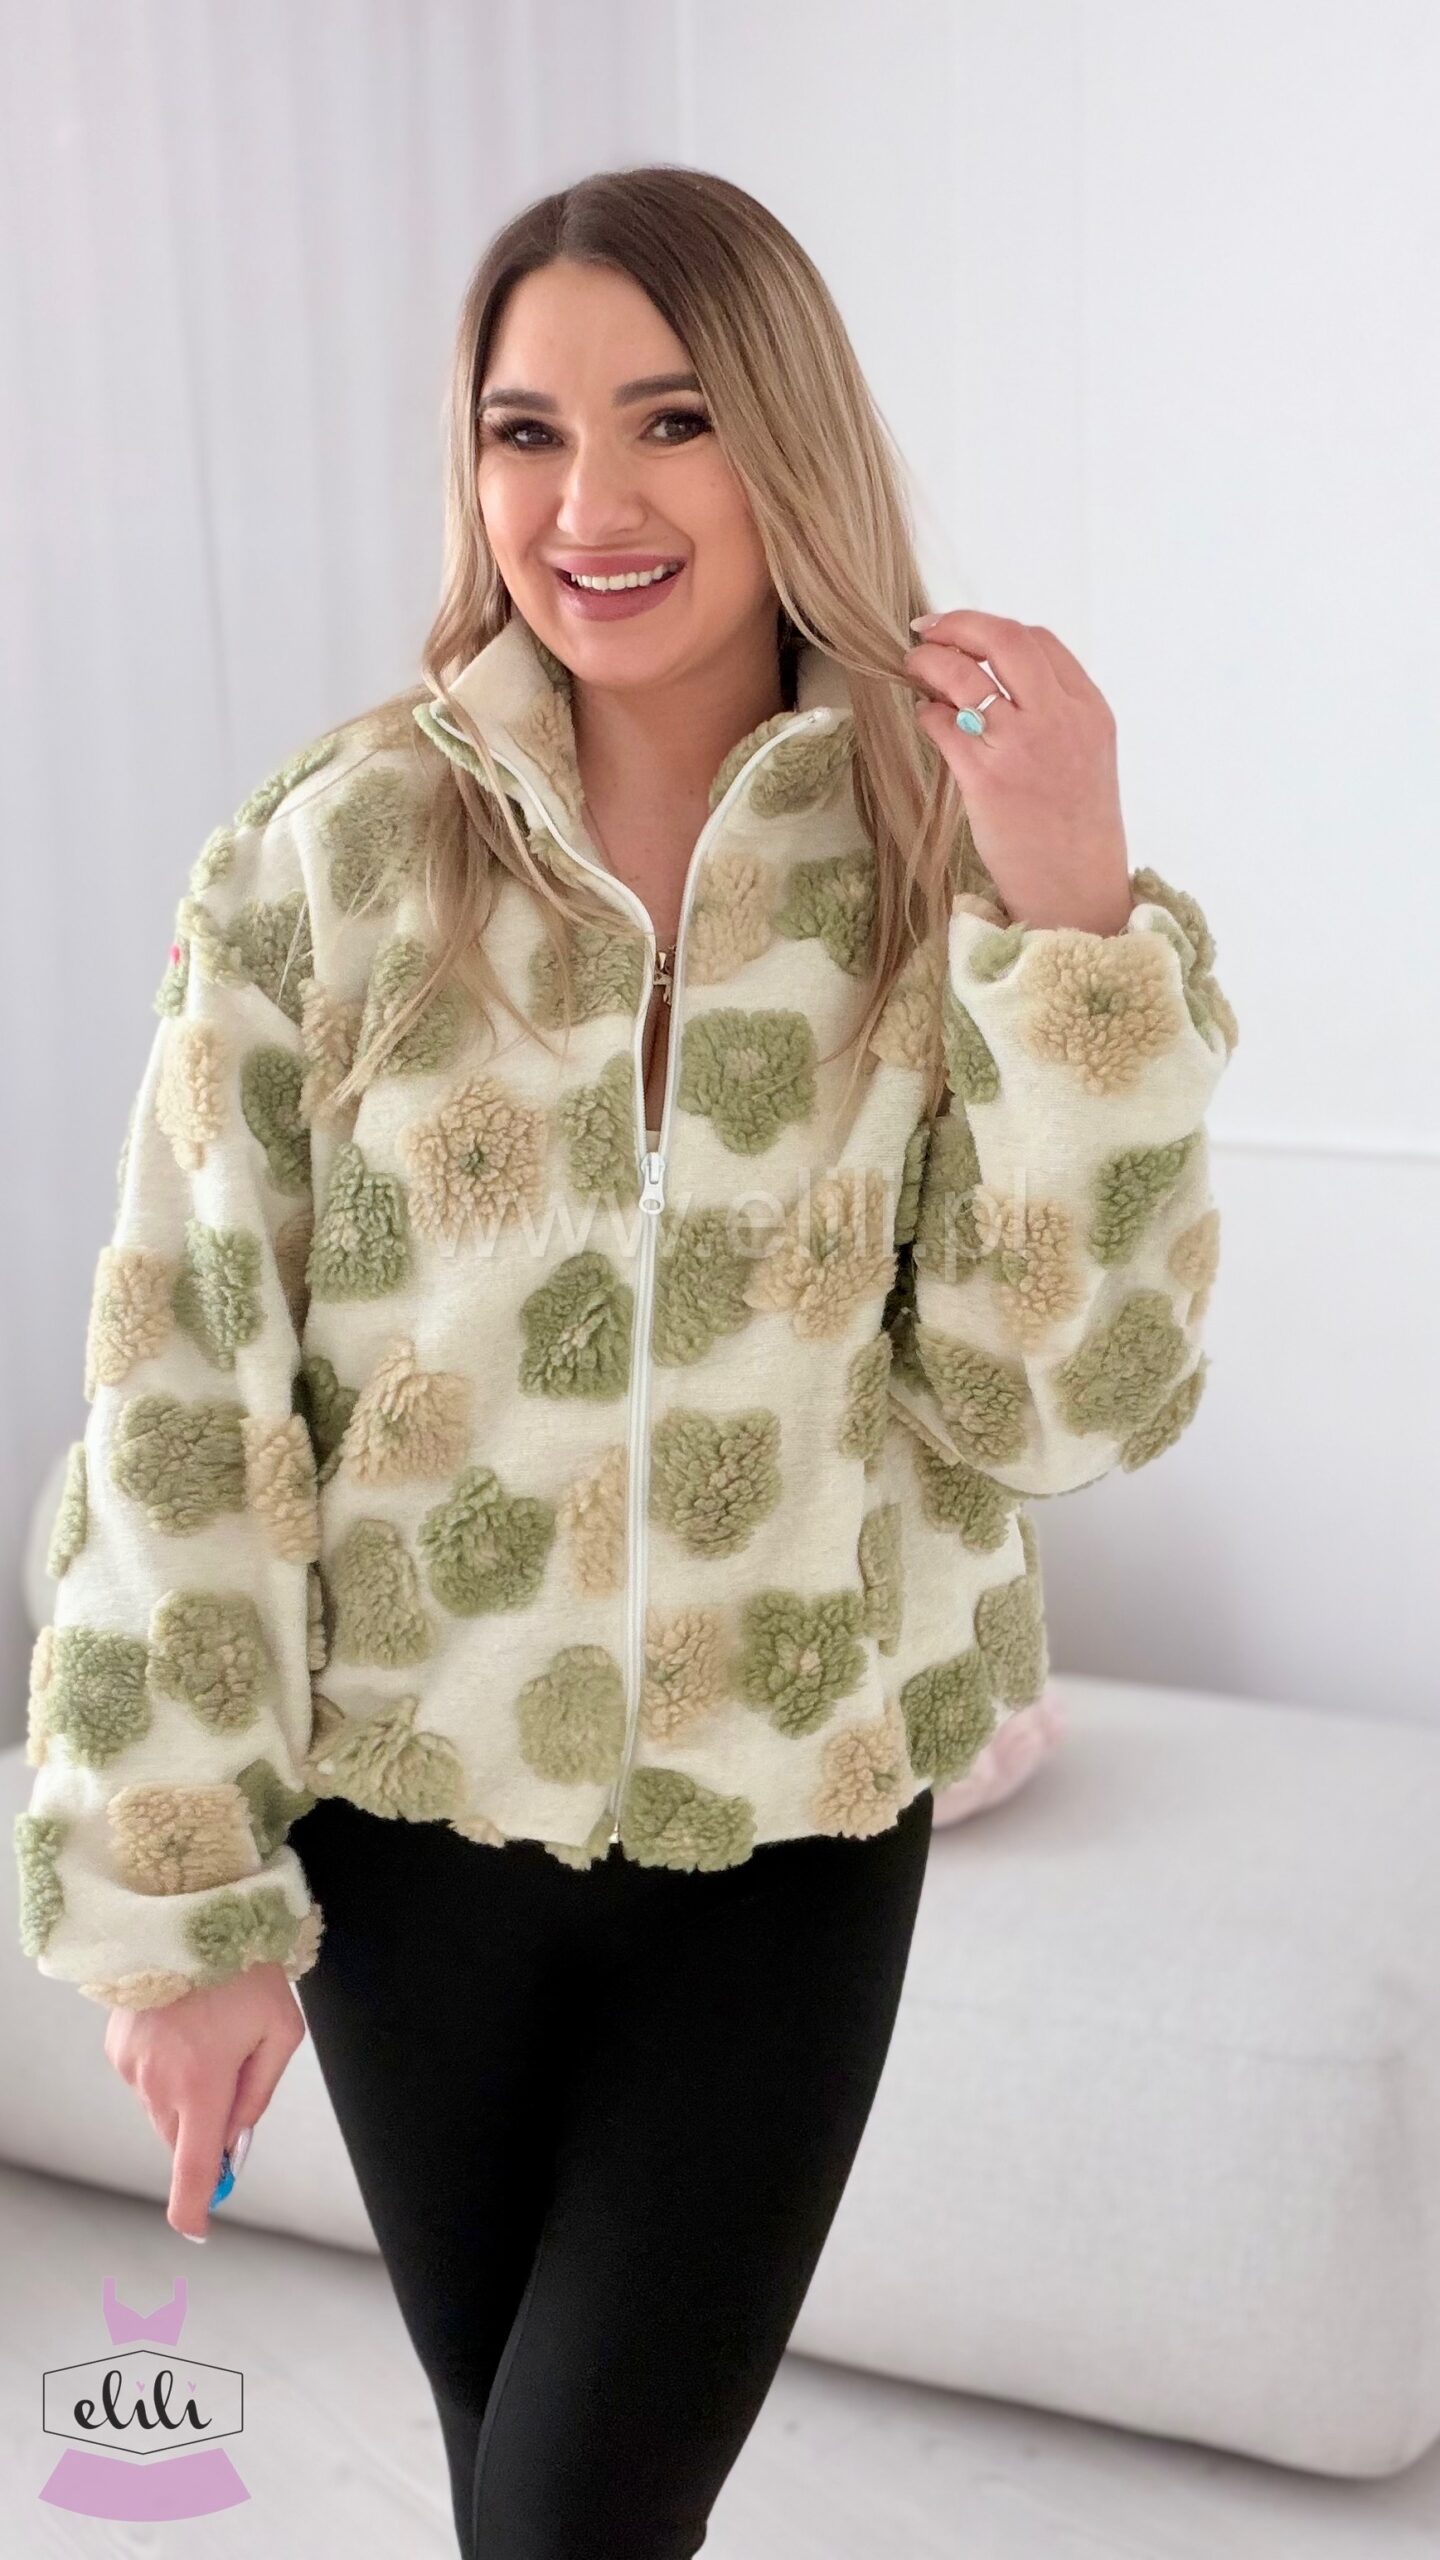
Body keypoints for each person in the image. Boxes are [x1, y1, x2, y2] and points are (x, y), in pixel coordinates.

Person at [14, 164, 1236, 2557]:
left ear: (789, 439)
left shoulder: (944, 854)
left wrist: (1079, 914)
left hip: (795, 1829)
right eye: (528, 429)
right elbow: (185, 1384)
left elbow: (1056, 1401)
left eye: (673, 419)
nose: (591, 503)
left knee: (571, 2512)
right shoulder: (332, 859)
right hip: (407, 1828)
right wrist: (182, 1893)